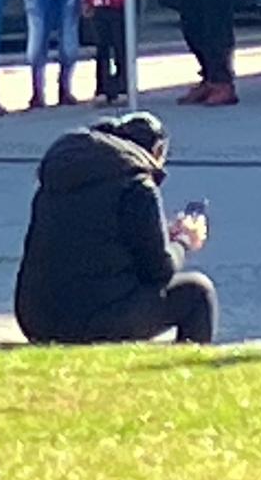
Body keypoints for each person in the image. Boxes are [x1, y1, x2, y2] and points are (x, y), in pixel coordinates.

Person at [14, 112, 216, 344]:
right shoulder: (137, 185)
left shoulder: (58, 175)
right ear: (158, 151)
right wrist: (184, 241)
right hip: (94, 320)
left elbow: (95, 239)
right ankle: (185, 369)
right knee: (197, 293)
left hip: (37, 317)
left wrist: (161, 236)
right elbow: (159, 270)